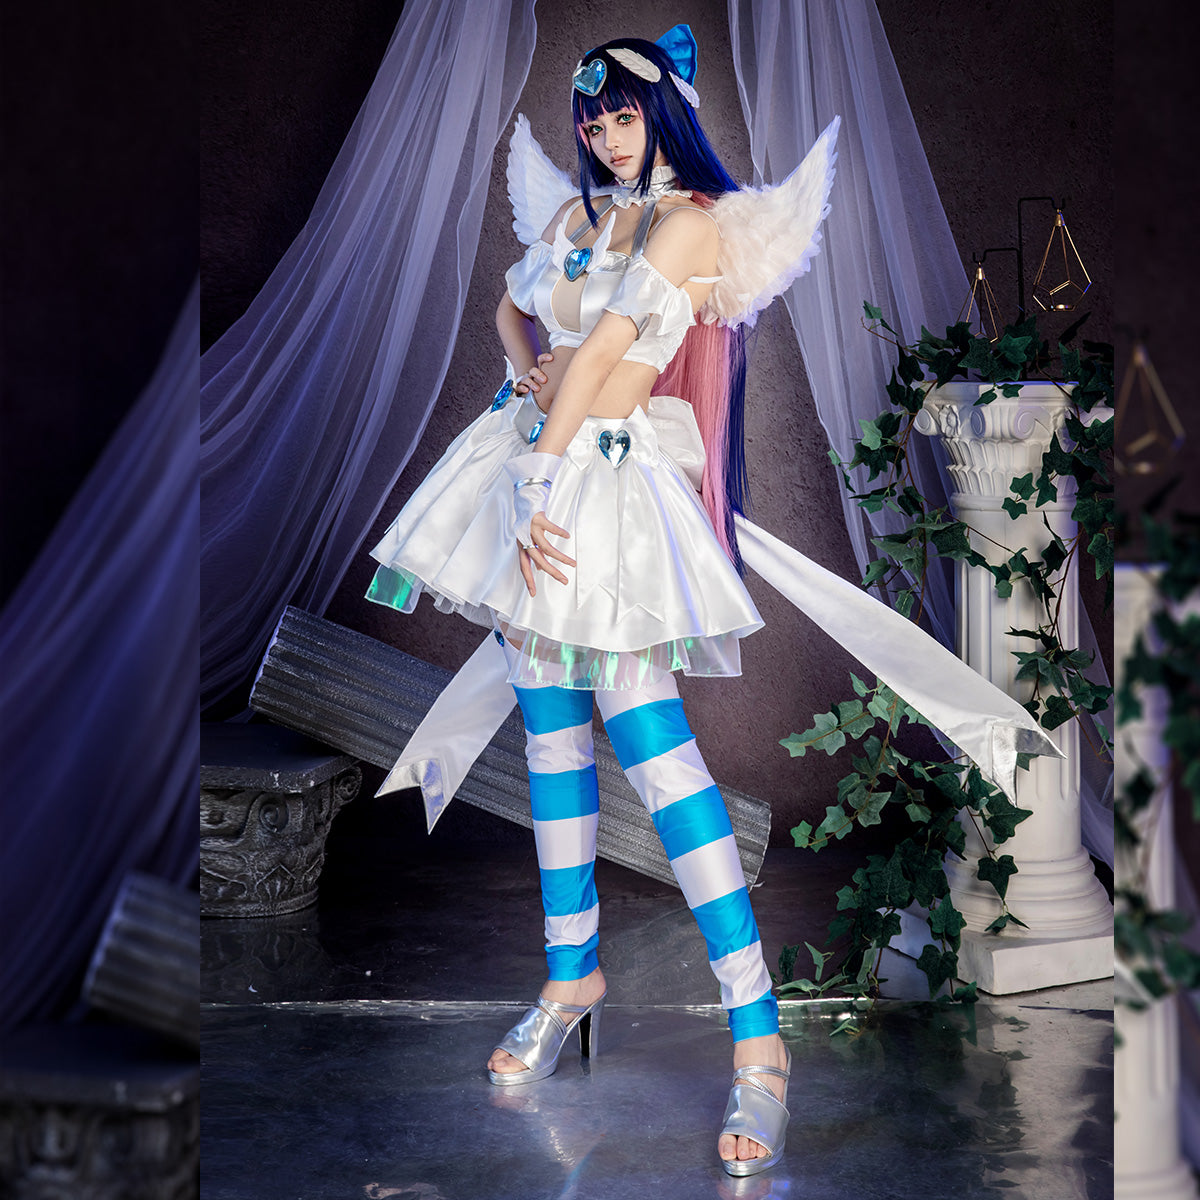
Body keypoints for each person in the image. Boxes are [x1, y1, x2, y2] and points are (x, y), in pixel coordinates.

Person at [364, 25, 1057, 1177]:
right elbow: (514, 310)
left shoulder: (692, 225)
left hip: (597, 490)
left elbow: (611, 357)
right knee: (548, 735)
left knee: (655, 751)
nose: (605, 135)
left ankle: (758, 1035)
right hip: (535, 474)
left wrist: (543, 456)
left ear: (666, 116)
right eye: (592, 120)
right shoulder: (582, 219)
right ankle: (570, 976)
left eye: (624, 115)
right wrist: (523, 368)